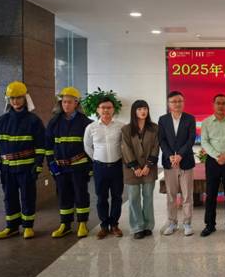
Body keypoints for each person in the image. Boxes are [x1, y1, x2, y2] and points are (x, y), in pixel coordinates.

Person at [0, 81, 45, 239]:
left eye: (18, 97)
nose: (15, 101)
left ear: (25, 98)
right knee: (9, 198)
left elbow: (41, 146)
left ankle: (28, 227)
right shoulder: (1, 121)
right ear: (8, 99)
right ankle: (12, 227)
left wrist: (38, 164)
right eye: (12, 98)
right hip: (7, 168)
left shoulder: (34, 121)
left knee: (27, 197)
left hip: (27, 168)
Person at [45, 87, 93, 239]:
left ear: (76, 103)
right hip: (61, 167)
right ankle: (65, 225)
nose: (66, 105)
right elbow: (48, 146)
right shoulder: (54, 122)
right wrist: (51, 164)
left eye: (69, 102)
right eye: (64, 102)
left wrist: (90, 167)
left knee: (81, 194)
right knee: (63, 195)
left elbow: (91, 147)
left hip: (79, 166)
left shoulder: (85, 122)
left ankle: (82, 223)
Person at [83, 96, 125, 239]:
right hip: (99, 167)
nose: (106, 110)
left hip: (116, 166)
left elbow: (125, 145)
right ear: (98, 110)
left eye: (109, 107)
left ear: (113, 110)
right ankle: (104, 225)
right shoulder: (91, 127)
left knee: (117, 196)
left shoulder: (121, 126)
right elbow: (87, 146)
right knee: (101, 197)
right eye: (103, 107)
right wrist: (96, 158)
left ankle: (114, 225)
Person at [200, 94, 225, 237]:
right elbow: (204, 141)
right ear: (213, 104)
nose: (221, 106)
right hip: (213, 161)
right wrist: (217, 156)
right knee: (211, 195)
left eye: (223, 103)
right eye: (218, 103)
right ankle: (210, 225)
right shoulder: (206, 122)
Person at [158, 91, 196, 236]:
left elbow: (191, 139)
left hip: (186, 161)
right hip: (169, 163)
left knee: (187, 195)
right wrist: (170, 156)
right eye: (174, 101)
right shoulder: (163, 120)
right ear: (169, 104)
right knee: (171, 195)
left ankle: (187, 223)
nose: (177, 104)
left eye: (180, 101)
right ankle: (172, 223)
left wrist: (180, 155)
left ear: (183, 102)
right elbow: (162, 140)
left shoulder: (190, 119)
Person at [121, 100, 159, 239]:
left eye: (145, 109)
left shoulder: (154, 128)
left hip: (149, 168)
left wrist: (148, 165)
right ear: (134, 111)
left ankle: (148, 225)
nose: (143, 111)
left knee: (148, 197)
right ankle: (137, 227)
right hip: (132, 169)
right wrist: (135, 166)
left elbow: (156, 147)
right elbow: (125, 148)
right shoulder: (126, 129)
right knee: (133, 198)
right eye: (139, 109)